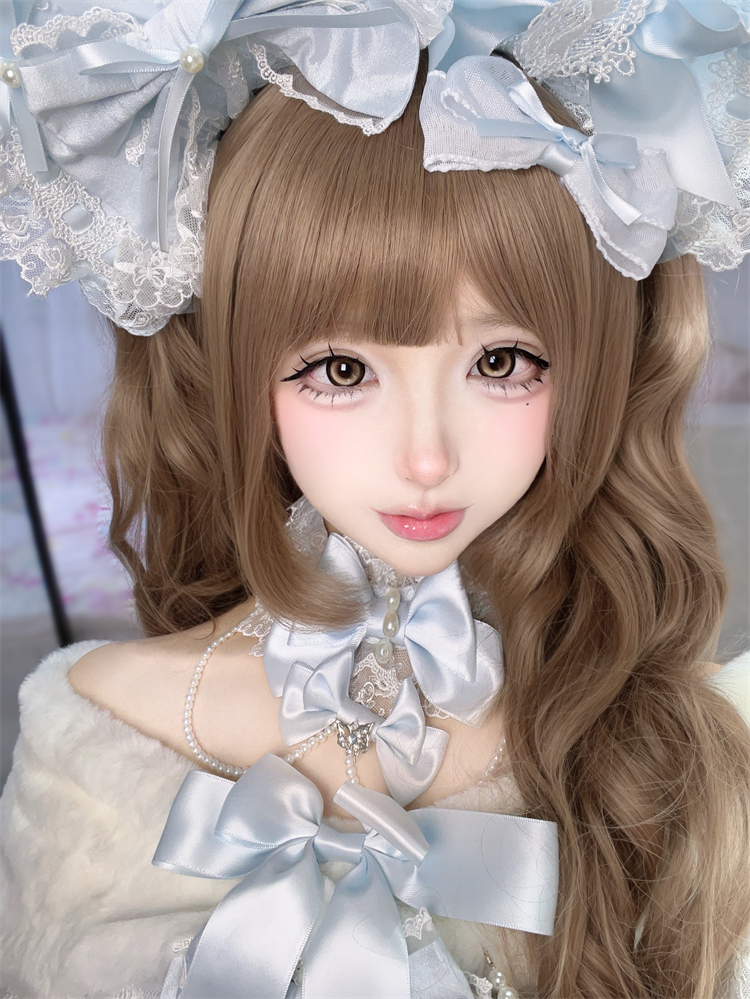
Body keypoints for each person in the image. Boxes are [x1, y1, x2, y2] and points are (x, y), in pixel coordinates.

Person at [1, 2, 749, 997]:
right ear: (238, 373)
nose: (426, 456)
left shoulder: (675, 746)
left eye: (501, 361)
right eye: (342, 370)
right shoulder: (90, 740)